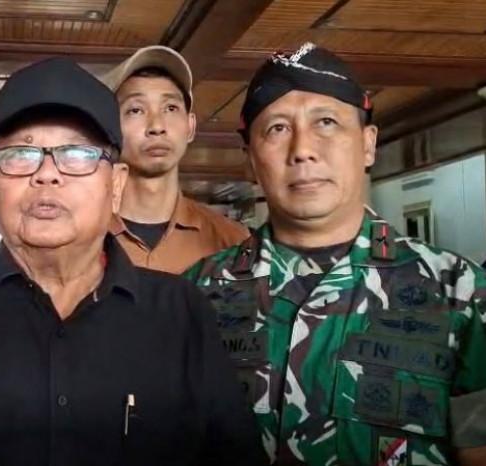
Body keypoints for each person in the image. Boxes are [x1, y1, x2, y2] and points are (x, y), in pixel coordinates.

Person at [0, 57, 266, 466]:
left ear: (116, 185)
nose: (47, 174)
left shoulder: (182, 313)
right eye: (21, 154)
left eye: (78, 154)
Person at [192, 42, 486, 465]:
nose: (303, 149)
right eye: (277, 128)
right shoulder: (193, 295)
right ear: (250, 161)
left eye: (326, 122)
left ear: (368, 144)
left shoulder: (462, 293)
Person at [101, 45, 248, 275]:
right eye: (136, 110)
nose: (157, 126)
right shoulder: (78, 236)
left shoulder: (233, 241)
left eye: (170, 108)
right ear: (109, 128)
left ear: (190, 126)